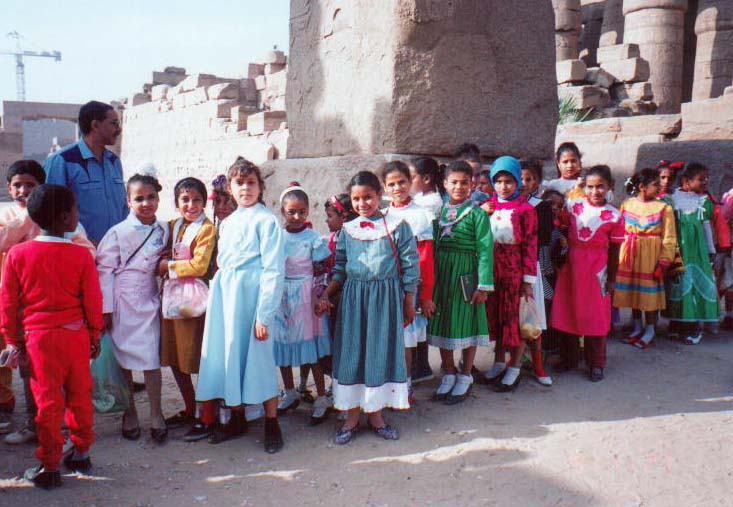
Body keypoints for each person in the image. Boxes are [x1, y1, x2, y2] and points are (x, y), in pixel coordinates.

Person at [0, 184, 103, 489]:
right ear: (65, 217)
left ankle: (50, 465)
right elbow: (93, 300)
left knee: (47, 402)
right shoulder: (81, 254)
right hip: (75, 336)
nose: (77, 215)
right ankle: (81, 452)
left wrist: (12, 340)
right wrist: (94, 334)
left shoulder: (17, 254)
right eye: (75, 210)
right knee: (80, 395)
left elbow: (8, 303)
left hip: (39, 340)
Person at [316, 170, 419, 445]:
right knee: (352, 353)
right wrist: (326, 294)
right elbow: (340, 269)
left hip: (385, 301)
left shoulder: (397, 226)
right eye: (357, 199)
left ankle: (375, 416)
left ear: (379, 195)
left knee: (378, 353)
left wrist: (409, 301)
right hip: (353, 301)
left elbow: (410, 266)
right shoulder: (347, 230)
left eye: (368, 197)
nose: (363, 204)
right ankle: (351, 418)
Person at [196, 157, 285, 453]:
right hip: (227, 296)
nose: (245, 189)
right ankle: (236, 417)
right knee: (229, 354)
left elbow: (273, 269)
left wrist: (264, 315)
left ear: (260, 187)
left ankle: (271, 422)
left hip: (253, 296)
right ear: (230, 188)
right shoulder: (228, 222)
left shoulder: (266, 221)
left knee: (259, 358)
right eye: (239, 183)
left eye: (251, 183)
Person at [96, 174, 169, 443]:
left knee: (151, 358)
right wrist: (106, 309)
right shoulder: (118, 232)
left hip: (149, 298)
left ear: (158, 198)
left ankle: (157, 414)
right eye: (139, 198)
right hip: (123, 301)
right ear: (128, 201)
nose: (146, 203)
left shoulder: (164, 229)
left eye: (151, 197)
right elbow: (105, 270)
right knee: (124, 359)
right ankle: (130, 412)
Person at [427, 161, 493, 404]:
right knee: (444, 321)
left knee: (468, 322)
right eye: (454, 182)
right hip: (442, 276)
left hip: (466, 274)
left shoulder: (477, 214)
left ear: (472, 185)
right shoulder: (438, 214)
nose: (459, 187)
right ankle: (449, 373)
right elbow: (432, 247)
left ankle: (465, 374)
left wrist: (483, 286)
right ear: (445, 184)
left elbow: (485, 250)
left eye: (464, 182)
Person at [157, 178, 217, 441]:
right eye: (185, 200)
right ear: (176, 202)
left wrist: (168, 266)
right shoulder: (173, 226)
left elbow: (199, 266)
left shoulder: (207, 229)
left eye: (196, 200)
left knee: (200, 360)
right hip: (172, 301)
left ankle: (207, 415)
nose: (191, 205)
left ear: (204, 202)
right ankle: (190, 407)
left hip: (195, 303)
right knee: (174, 357)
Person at [552, 165, 624, 382]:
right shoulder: (573, 206)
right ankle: (569, 358)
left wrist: (611, 279)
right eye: (590, 187)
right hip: (571, 267)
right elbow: (561, 229)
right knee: (569, 311)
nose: (595, 191)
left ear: (610, 186)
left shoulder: (614, 216)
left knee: (596, 316)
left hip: (596, 270)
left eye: (600, 186)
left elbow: (615, 251)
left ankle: (596, 362)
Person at [272, 183, 333, 425]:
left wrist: (319, 296)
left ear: (308, 210)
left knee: (310, 351)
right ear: (282, 211)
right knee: (283, 345)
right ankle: (289, 391)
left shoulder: (314, 240)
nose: (297, 217)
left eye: (302, 212)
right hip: (282, 297)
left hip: (306, 297)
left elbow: (320, 272)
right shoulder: (277, 238)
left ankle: (321, 397)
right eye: (291, 212)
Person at [482, 156, 541, 391]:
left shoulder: (525, 210)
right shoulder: (488, 206)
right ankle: (498, 362)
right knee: (497, 315)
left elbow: (531, 245)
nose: (503, 187)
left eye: (508, 181)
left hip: (514, 269)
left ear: (517, 182)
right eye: (498, 181)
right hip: (492, 269)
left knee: (515, 317)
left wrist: (527, 280)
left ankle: (514, 366)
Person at [381, 161, 436, 403]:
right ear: (384, 187)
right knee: (388, 337)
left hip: (409, 287)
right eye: (391, 184)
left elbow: (426, 259)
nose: (397, 188)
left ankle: (405, 385)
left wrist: (425, 295)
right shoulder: (383, 215)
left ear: (410, 182)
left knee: (405, 340)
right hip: (386, 287)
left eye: (402, 182)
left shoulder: (420, 215)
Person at [44, 101, 127, 245]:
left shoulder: (114, 161)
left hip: (117, 250)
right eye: (114, 124)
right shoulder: (62, 161)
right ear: (95, 125)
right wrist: (84, 242)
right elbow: (51, 213)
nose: (119, 130)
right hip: (78, 250)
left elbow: (123, 208)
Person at [614, 169, 677, 349]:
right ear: (642, 186)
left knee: (648, 295)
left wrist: (664, 260)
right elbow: (619, 229)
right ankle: (636, 327)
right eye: (655, 184)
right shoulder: (627, 204)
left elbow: (669, 237)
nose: (660, 187)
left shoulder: (663, 208)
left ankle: (650, 330)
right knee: (634, 291)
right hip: (630, 254)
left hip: (651, 256)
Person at [662, 163, 719, 344]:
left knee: (693, 285)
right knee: (677, 284)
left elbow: (706, 229)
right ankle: (676, 325)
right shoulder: (670, 201)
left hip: (697, 253)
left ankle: (692, 327)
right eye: (701, 179)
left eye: (706, 178)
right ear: (686, 181)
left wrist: (711, 250)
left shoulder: (703, 203)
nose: (705, 182)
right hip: (678, 251)